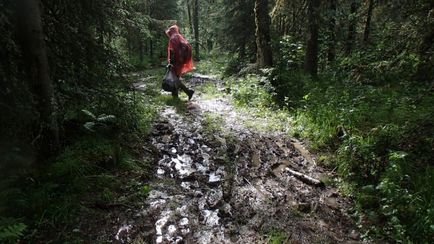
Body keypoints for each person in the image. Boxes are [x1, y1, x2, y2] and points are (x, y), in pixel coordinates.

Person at [165, 24, 194, 100]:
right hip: (180, 61)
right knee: (175, 78)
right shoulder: (179, 37)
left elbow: (172, 51)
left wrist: (170, 63)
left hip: (175, 62)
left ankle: (187, 92)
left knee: (175, 79)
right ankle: (177, 96)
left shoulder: (172, 38)